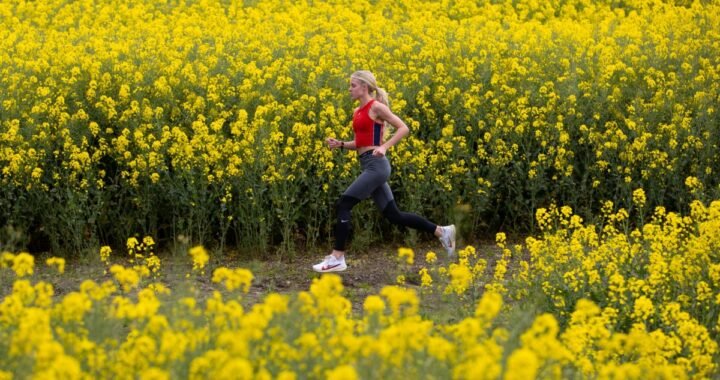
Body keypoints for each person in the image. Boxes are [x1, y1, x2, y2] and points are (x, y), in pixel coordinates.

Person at [313, 70, 456, 273]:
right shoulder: (357, 112)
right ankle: (442, 232)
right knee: (393, 214)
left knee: (344, 203)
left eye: (352, 85)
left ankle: (337, 257)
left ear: (364, 87)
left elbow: (403, 128)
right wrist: (342, 144)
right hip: (368, 164)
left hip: (377, 166)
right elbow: (362, 144)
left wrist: (385, 146)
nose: (349, 89)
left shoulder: (376, 107)